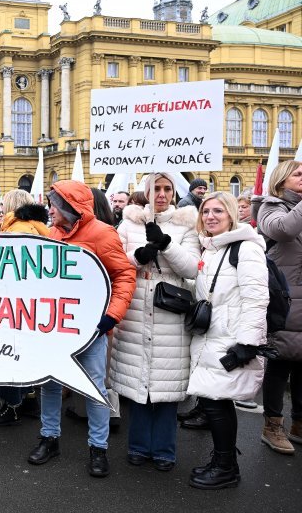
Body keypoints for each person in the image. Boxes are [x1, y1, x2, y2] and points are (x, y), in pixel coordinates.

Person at [29, 180, 135, 477]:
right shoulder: (52, 234)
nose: (50, 210)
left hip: (91, 330)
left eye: (54, 204)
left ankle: (98, 448)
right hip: (55, 329)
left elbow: (124, 275)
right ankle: (49, 438)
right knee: (50, 384)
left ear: (69, 207)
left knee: (94, 390)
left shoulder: (102, 234)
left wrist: (111, 316)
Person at [110, 173, 200, 471]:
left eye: (167, 188)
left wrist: (165, 245)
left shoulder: (186, 222)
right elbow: (116, 262)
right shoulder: (129, 223)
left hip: (170, 309)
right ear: (146, 191)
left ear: (174, 192)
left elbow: (192, 268)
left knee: (166, 381)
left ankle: (164, 450)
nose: (161, 194)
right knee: (139, 381)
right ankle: (137, 446)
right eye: (156, 188)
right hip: (136, 306)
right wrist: (138, 256)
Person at [186, 191, 268, 489]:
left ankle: (226, 468)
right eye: (206, 211)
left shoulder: (245, 248)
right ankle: (223, 460)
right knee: (212, 401)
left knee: (217, 402)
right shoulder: (212, 248)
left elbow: (257, 298)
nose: (210, 216)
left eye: (218, 211)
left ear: (232, 214)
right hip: (212, 336)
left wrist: (247, 344)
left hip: (230, 339)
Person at [0, 190, 48, 427]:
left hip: (13, 301)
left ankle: (11, 406)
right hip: (26, 302)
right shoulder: (32, 226)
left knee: (8, 353)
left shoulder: (18, 228)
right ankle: (29, 400)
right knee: (24, 351)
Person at [253, 160, 302, 454]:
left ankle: (299, 423)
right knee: (280, 363)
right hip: (285, 301)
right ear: (281, 180)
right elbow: (284, 230)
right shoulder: (270, 208)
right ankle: (272, 425)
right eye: (298, 174)